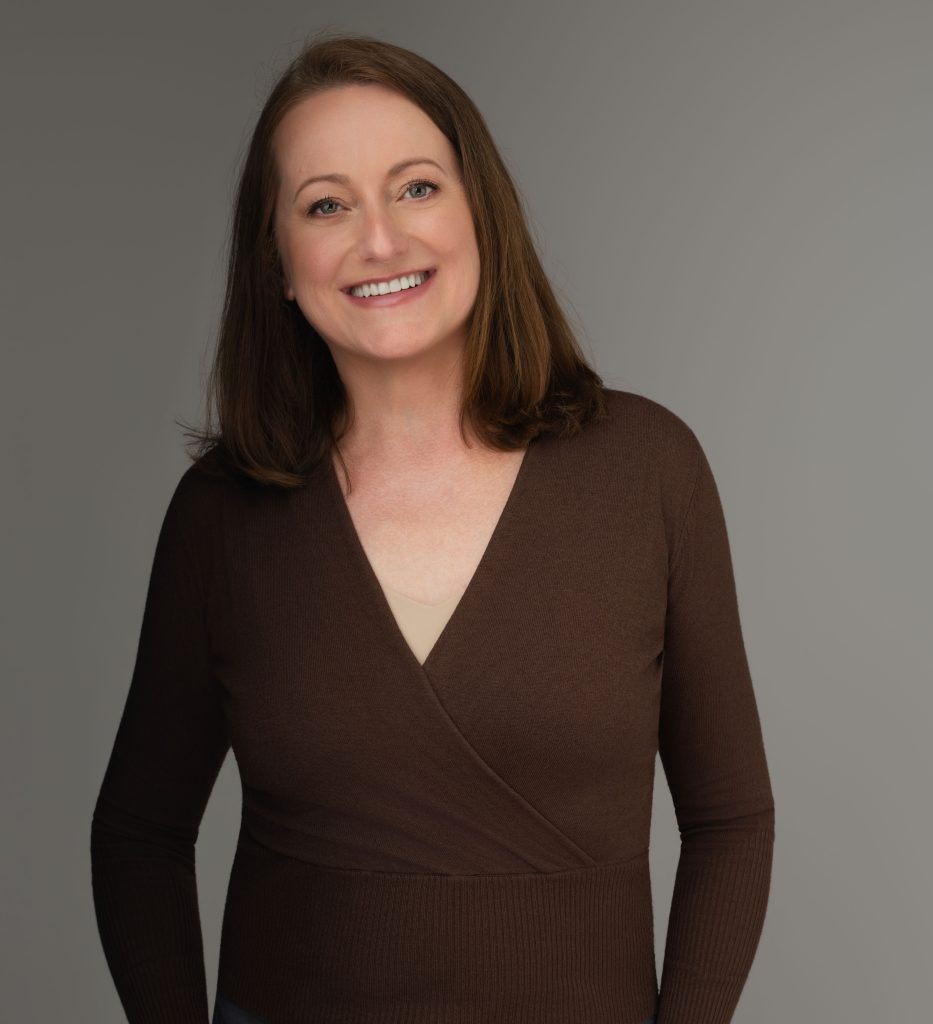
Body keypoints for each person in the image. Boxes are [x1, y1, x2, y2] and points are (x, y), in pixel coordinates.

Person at [90, 31, 774, 1024]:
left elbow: (730, 816)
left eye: (415, 188)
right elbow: (141, 831)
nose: (380, 240)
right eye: (326, 205)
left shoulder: (647, 469)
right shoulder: (222, 516)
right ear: (279, 262)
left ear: (479, 213)